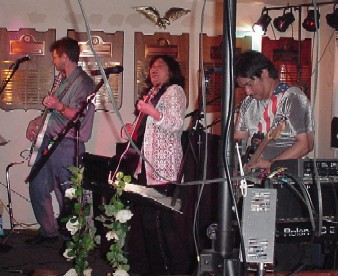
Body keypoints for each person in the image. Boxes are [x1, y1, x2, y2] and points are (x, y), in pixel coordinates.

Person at [122, 55, 194, 275]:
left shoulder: (174, 91)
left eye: (160, 66)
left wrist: (150, 111)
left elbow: (174, 124)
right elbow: (148, 133)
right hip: (147, 167)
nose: (154, 69)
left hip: (164, 169)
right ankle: (158, 267)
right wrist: (131, 129)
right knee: (149, 221)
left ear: (171, 71)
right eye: (152, 66)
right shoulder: (153, 93)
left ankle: (173, 268)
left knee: (161, 222)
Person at [25, 37, 95, 244]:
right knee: (37, 184)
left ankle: (73, 238)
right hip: (49, 139)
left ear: (65, 57)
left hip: (68, 144)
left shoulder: (83, 82)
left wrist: (59, 106)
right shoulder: (63, 80)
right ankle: (49, 231)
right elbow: (53, 112)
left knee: (68, 192)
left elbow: (78, 116)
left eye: (55, 57)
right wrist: (36, 121)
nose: (53, 61)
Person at [234, 50, 314, 170]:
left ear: (264, 74)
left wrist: (270, 164)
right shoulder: (248, 103)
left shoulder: (293, 99)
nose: (247, 91)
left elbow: (306, 144)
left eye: (249, 84)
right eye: (243, 87)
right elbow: (239, 140)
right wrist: (236, 169)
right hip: (251, 179)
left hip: (286, 179)